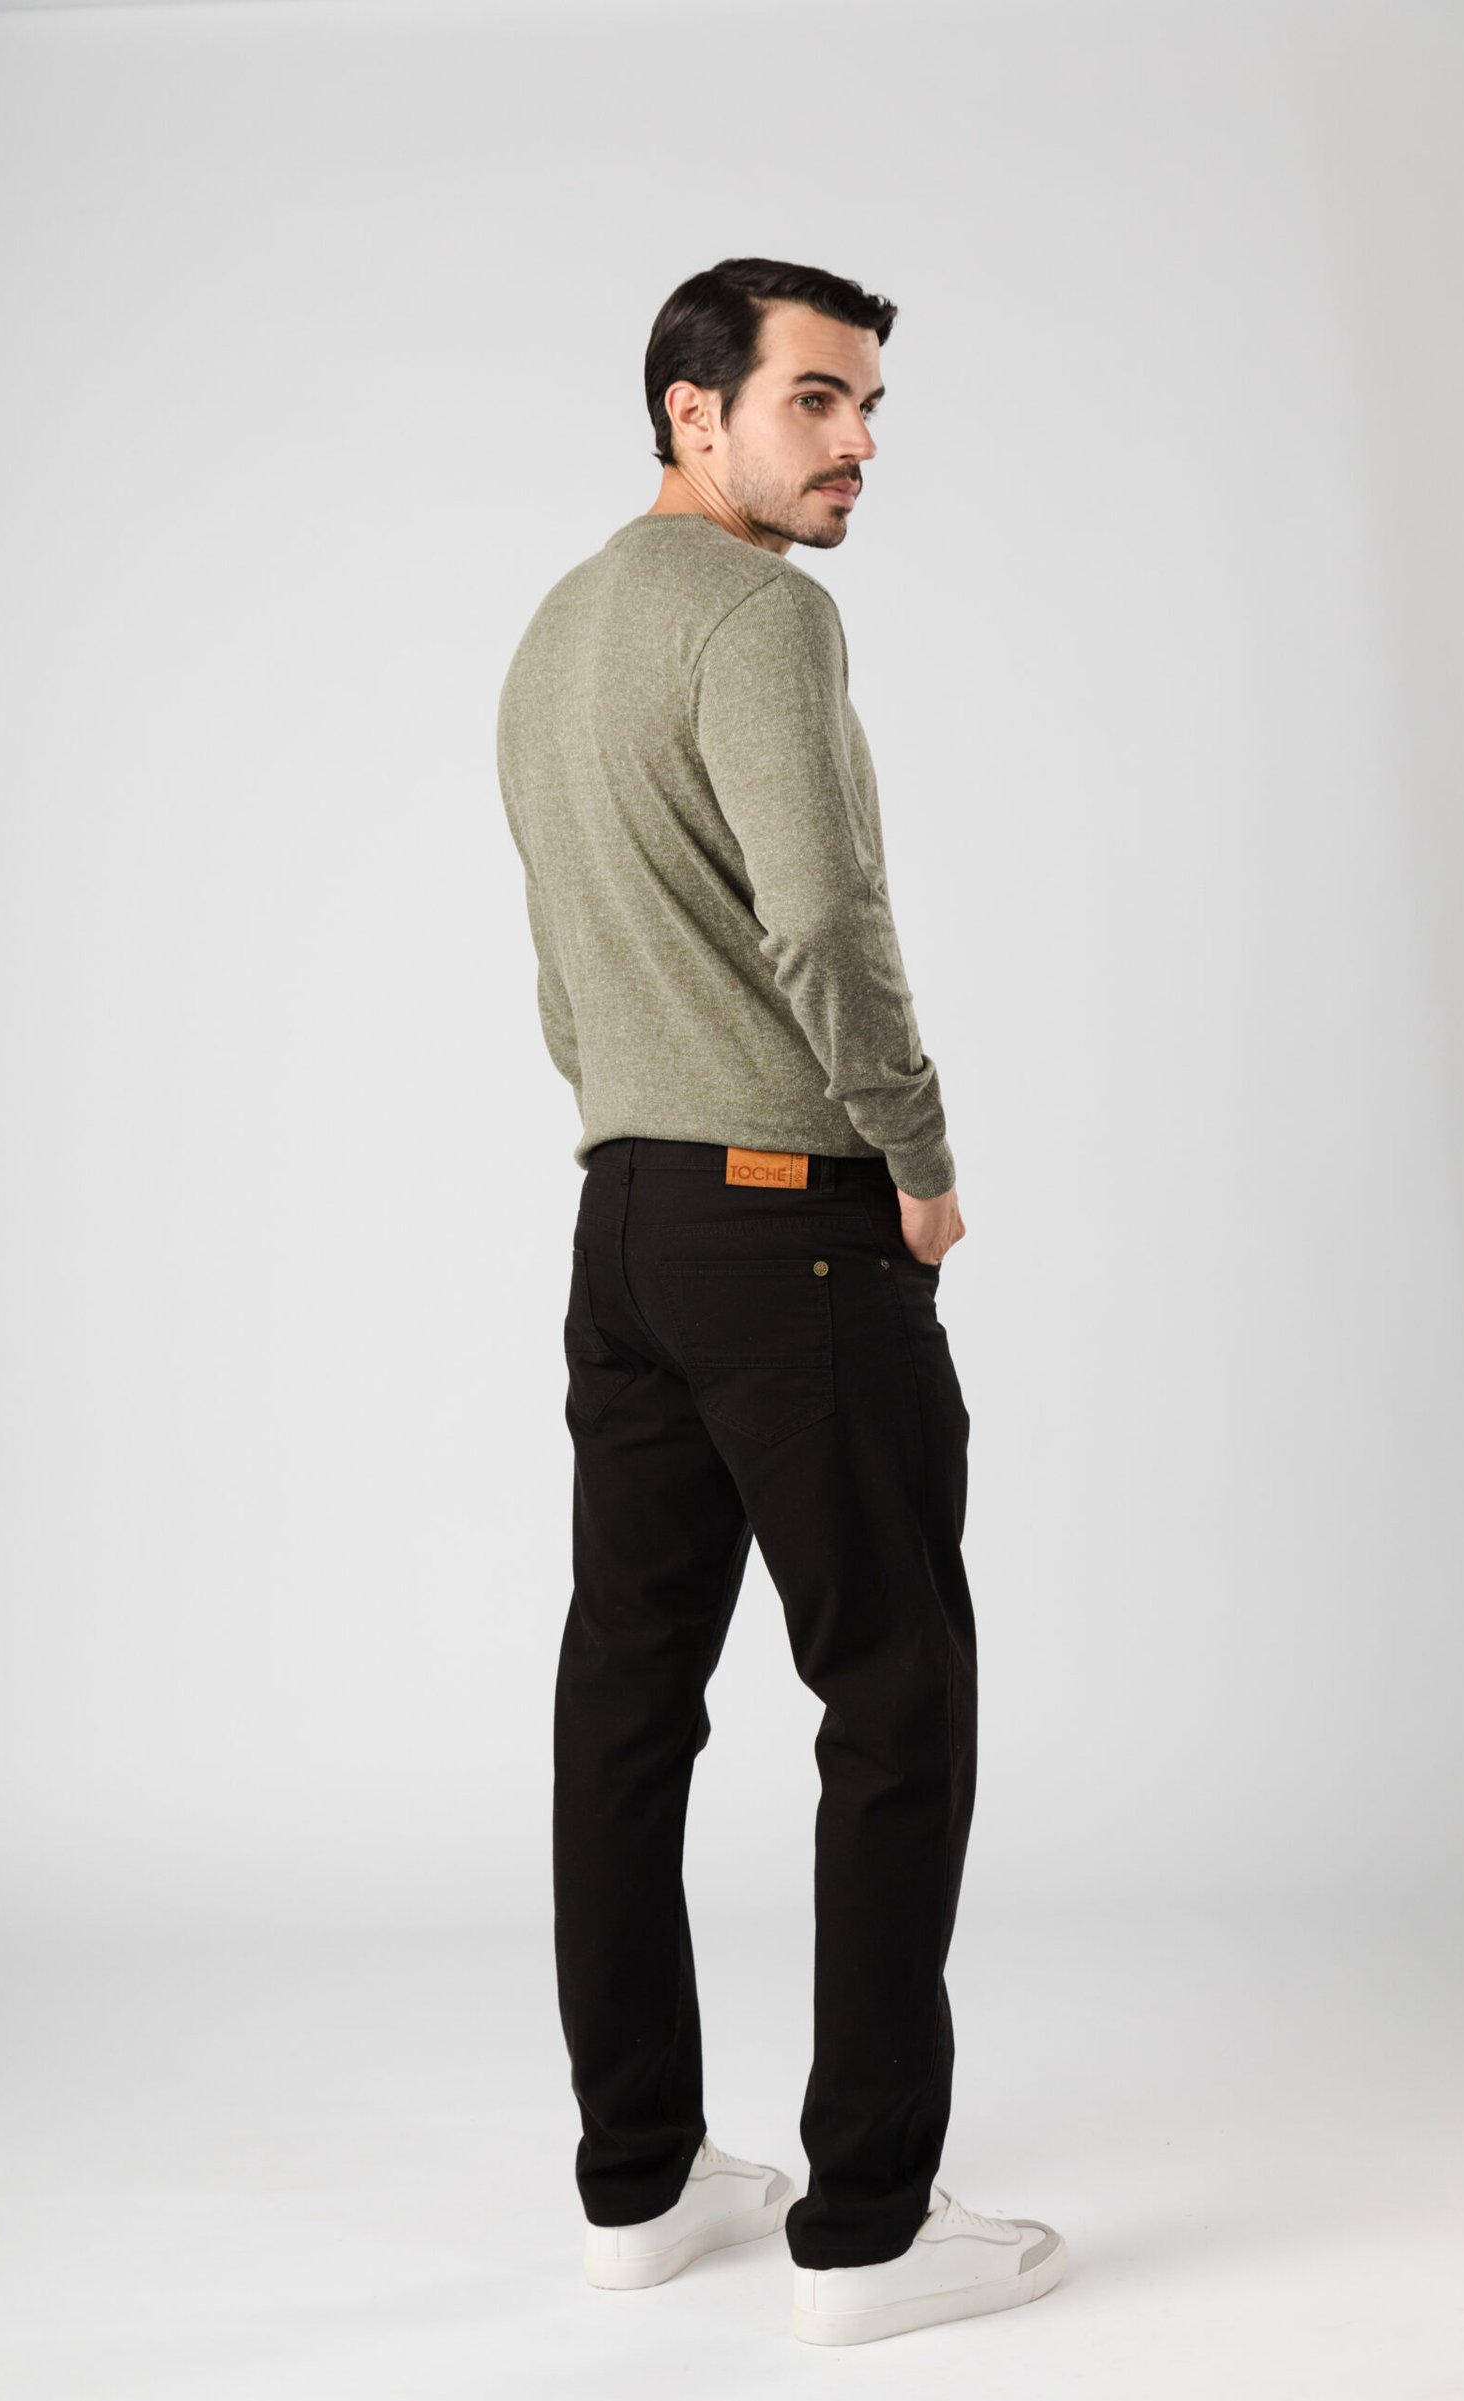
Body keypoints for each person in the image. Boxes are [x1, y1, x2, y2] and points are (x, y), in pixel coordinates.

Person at [494, 256, 1067, 2347]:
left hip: (625, 1216)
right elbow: (823, 913)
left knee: (628, 1692)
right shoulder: (759, 617)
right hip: (790, 1221)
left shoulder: (558, 629)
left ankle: (636, 2182)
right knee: (895, 1693)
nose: (856, 445)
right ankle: (867, 2226)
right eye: (816, 400)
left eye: (869, 406)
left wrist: (630, 1128)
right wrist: (913, 1156)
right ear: (692, 409)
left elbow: (569, 961)